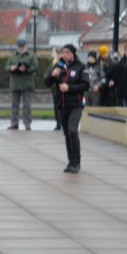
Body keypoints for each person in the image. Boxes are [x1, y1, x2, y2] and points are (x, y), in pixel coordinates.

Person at [43, 44, 89, 173]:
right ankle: (70, 161)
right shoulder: (59, 66)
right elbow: (47, 83)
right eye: (63, 52)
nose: (64, 54)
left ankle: (77, 162)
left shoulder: (80, 67)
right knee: (67, 134)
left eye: (67, 52)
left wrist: (69, 88)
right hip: (62, 105)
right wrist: (52, 75)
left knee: (73, 130)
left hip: (76, 105)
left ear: (73, 54)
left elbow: (85, 85)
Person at [7, 38, 38, 130]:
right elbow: (7, 66)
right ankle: (14, 123)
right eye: (19, 46)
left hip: (26, 83)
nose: (21, 48)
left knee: (27, 105)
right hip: (15, 84)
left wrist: (27, 69)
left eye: (22, 46)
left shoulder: (31, 56)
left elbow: (36, 66)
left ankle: (27, 123)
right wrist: (11, 68)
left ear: (25, 46)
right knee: (14, 105)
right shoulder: (12, 56)